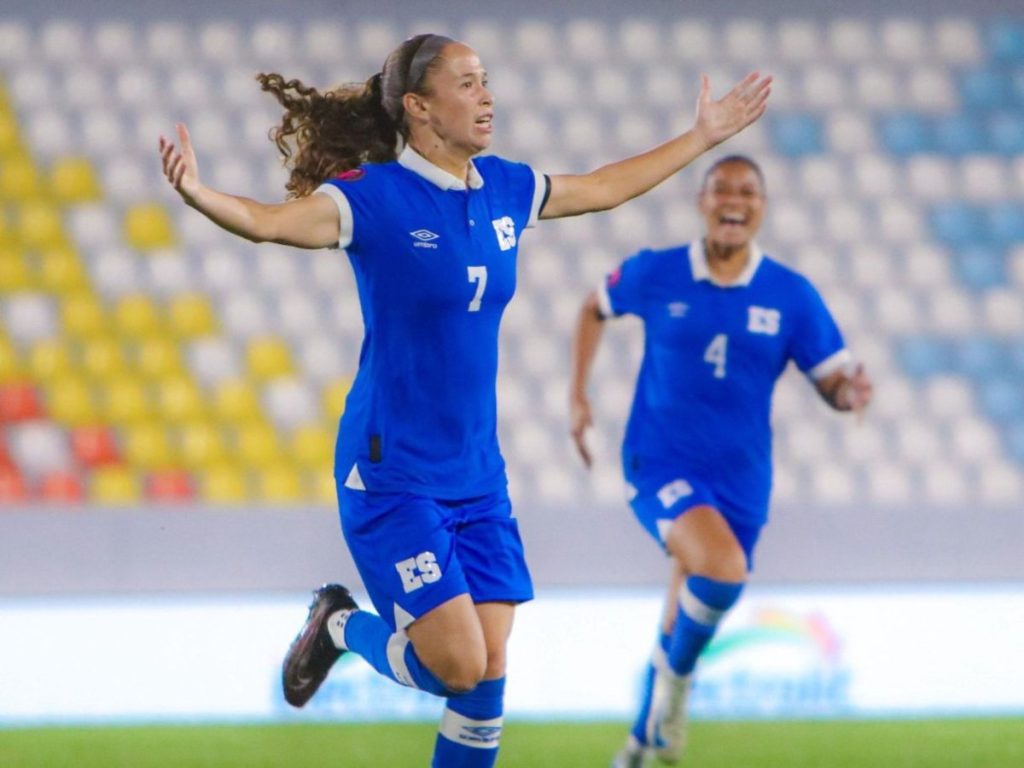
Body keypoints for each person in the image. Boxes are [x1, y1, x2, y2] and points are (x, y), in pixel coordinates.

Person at [159, 32, 771, 768]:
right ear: (419, 107)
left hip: (477, 473)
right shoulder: (373, 197)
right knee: (454, 663)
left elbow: (604, 186)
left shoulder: (506, 188)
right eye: (469, 84)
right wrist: (199, 194)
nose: (488, 97)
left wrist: (700, 137)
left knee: (486, 677)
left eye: (487, 81)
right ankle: (340, 627)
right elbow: (268, 223)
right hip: (393, 471)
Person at [569, 155, 873, 768]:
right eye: (722, 189)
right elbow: (593, 308)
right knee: (722, 571)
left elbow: (831, 381)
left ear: (762, 207)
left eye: (748, 191)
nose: (735, 200)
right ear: (702, 202)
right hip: (658, 463)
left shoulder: (790, 293)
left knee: (688, 596)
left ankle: (641, 745)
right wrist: (578, 396)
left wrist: (849, 393)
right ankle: (675, 694)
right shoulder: (658, 272)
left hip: (742, 481)